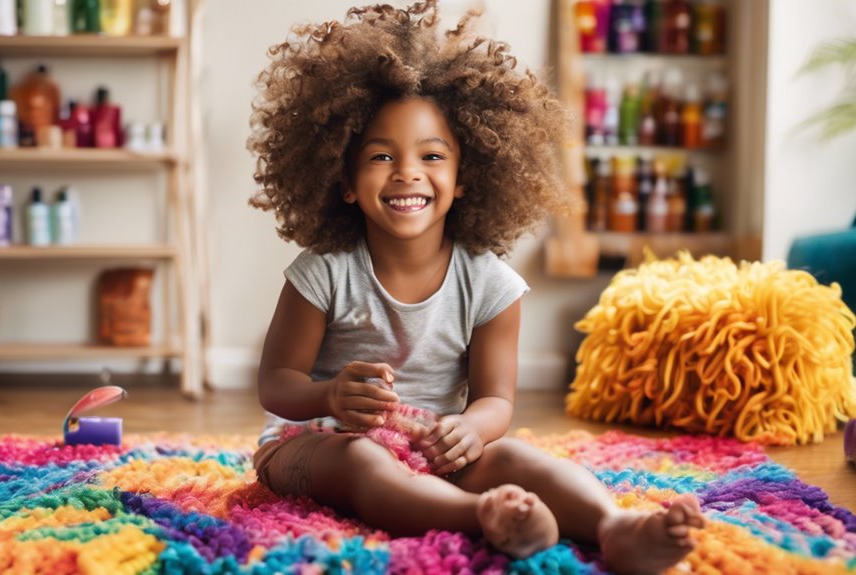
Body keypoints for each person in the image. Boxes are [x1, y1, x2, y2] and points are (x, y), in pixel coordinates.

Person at [246, 1, 705, 572]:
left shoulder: (489, 283)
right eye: (381, 156)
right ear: (344, 181)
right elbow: (276, 385)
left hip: (429, 449)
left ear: (465, 179)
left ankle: (616, 526)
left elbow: (497, 399)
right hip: (316, 443)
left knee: (513, 455)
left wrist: (469, 429)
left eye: (431, 156)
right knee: (364, 462)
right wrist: (330, 394)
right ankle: (486, 516)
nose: (407, 172)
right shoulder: (323, 270)